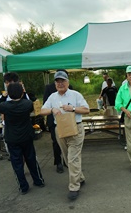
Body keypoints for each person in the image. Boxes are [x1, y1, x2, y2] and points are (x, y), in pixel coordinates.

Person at [40, 70, 90, 201]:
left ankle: (74, 187)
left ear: (67, 82)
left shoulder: (75, 95)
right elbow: (42, 111)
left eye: (62, 81)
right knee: (68, 158)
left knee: (72, 158)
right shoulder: (52, 97)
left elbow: (87, 109)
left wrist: (72, 108)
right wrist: (52, 110)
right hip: (60, 130)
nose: (60, 84)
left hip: (76, 129)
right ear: (55, 84)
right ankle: (80, 177)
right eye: (57, 81)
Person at [0, 83, 45, 195]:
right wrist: (25, 92)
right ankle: (38, 181)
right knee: (31, 160)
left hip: (12, 138)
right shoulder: (26, 104)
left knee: (17, 164)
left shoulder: (5, 106)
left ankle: (23, 187)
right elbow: (33, 103)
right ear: (21, 92)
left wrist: (4, 95)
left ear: (9, 94)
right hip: (26, 136)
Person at [43, 69, 73, 174]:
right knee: (56, 142)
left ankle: (66, 160)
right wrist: (52, 110)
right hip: (54, 120)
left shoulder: (70, 88)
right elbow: (44, 105)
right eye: (58, 79)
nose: (61, 83)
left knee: (68, 142)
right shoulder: (49, 88)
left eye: (64, 79)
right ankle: (58, 162)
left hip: (67, 119)